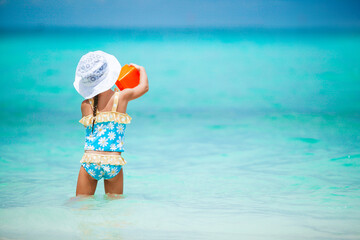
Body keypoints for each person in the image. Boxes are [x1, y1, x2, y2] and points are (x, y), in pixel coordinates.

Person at [73, 50, 149, 196]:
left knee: (81, 205)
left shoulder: (85, 104)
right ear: (109, 75)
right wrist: (141, 69)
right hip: (113, 160)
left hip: (91, 160)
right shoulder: (121, 97)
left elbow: (89, 127)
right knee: (115, 211)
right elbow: (144, 87)